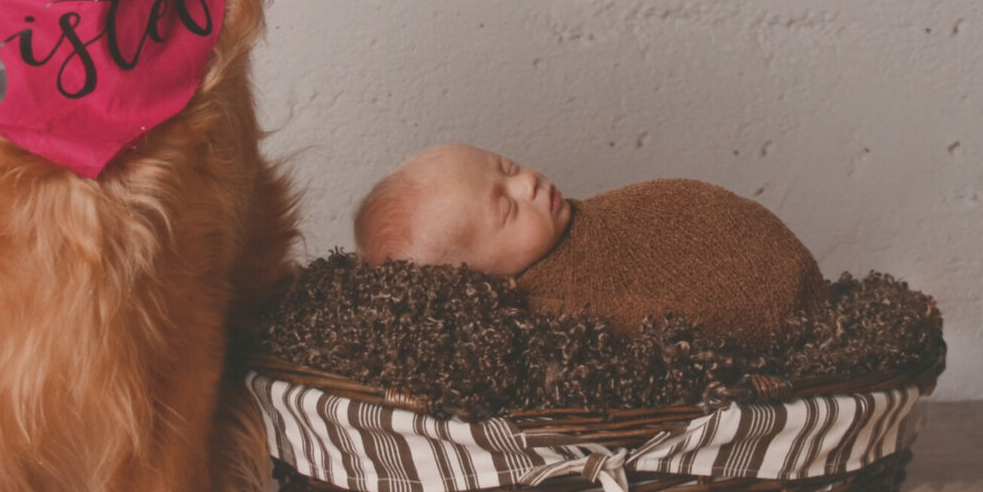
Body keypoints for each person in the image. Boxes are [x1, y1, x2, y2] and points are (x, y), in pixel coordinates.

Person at [353, 143, 829, 341]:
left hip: (764, 267)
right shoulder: (543, 306)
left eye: (508, 167)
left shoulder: (602, 230)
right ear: (478, 283)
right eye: (507, 207)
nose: (529, 185)